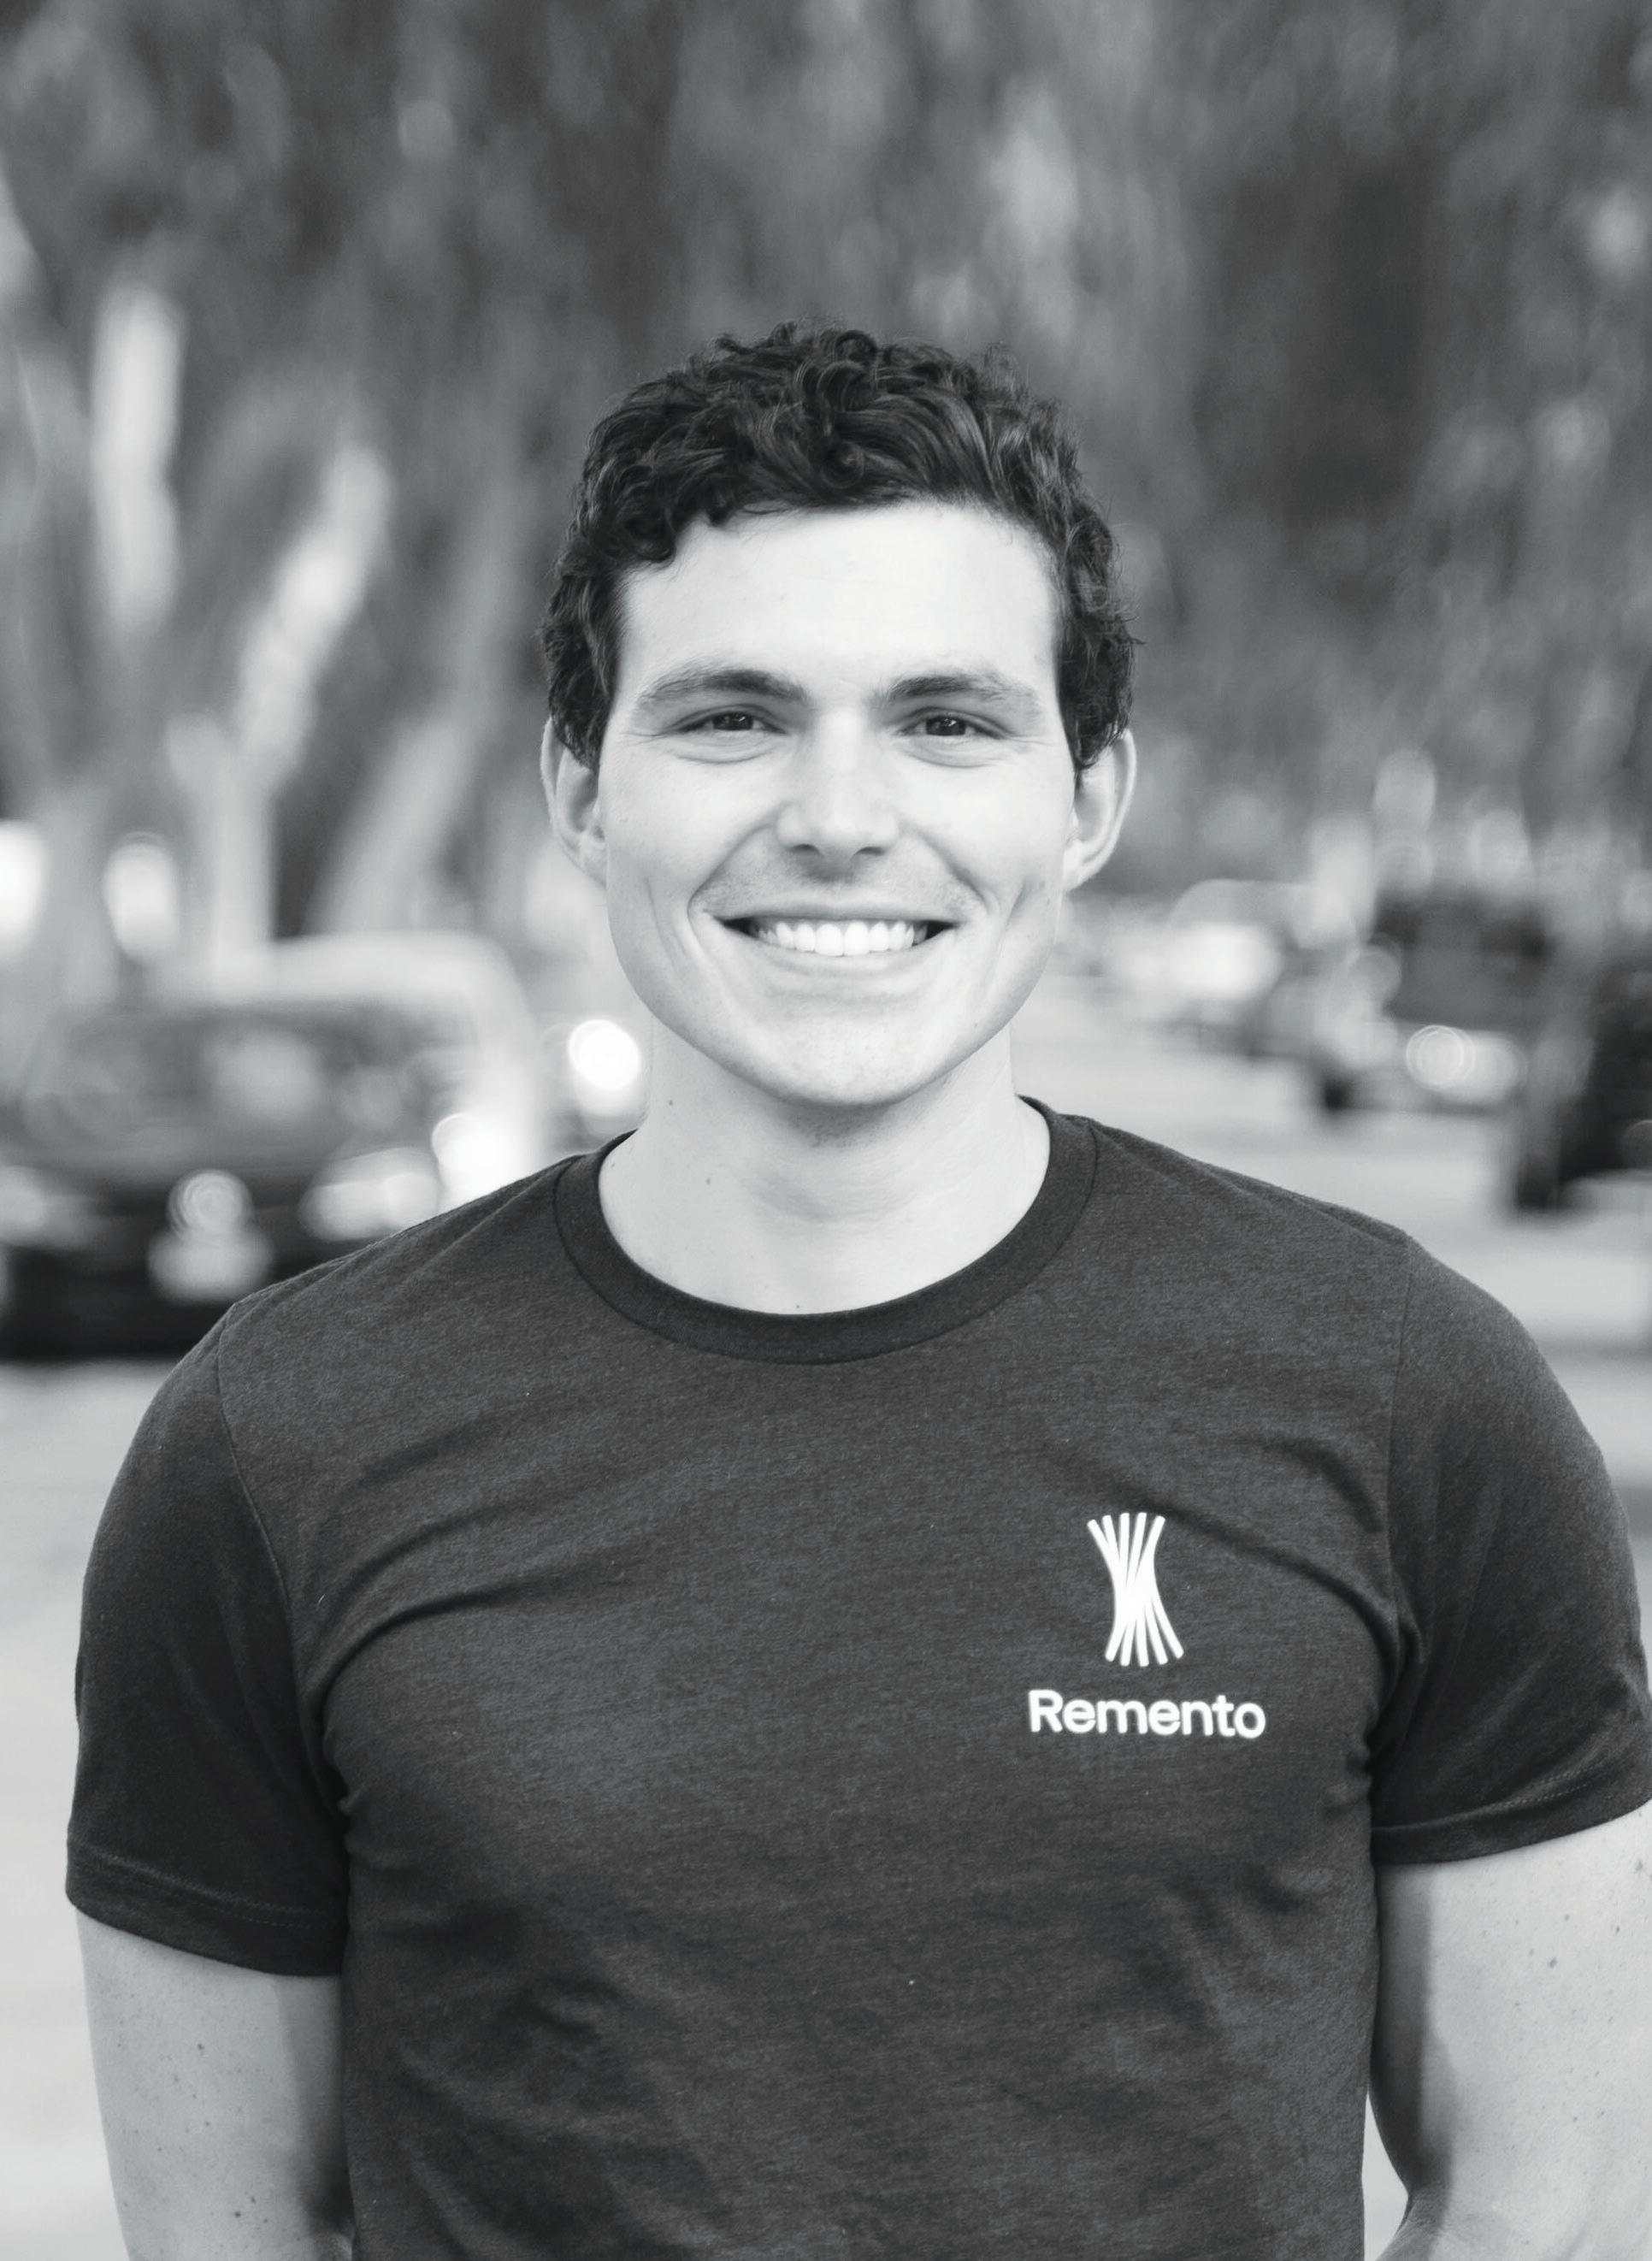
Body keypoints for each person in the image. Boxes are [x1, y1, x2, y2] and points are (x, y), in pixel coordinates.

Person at [70, 323, 1652, 2261]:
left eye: (948, 722)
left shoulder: (1408, 1398)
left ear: (1088, 798)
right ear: (580, 787)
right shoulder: (276, 1447)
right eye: (732, 717)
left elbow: (1543, 2197)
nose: (837, 814)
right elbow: (231, 2226)